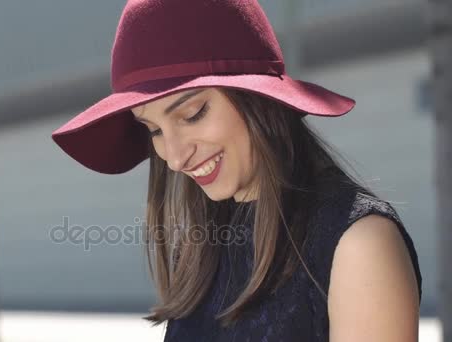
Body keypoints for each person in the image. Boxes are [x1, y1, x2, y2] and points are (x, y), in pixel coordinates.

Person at [51, 0, 423, 340]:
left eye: (193, 114)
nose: (176, 158)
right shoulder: (203, 246)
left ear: (256, 95)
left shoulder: (357, 245)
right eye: (154, 130)